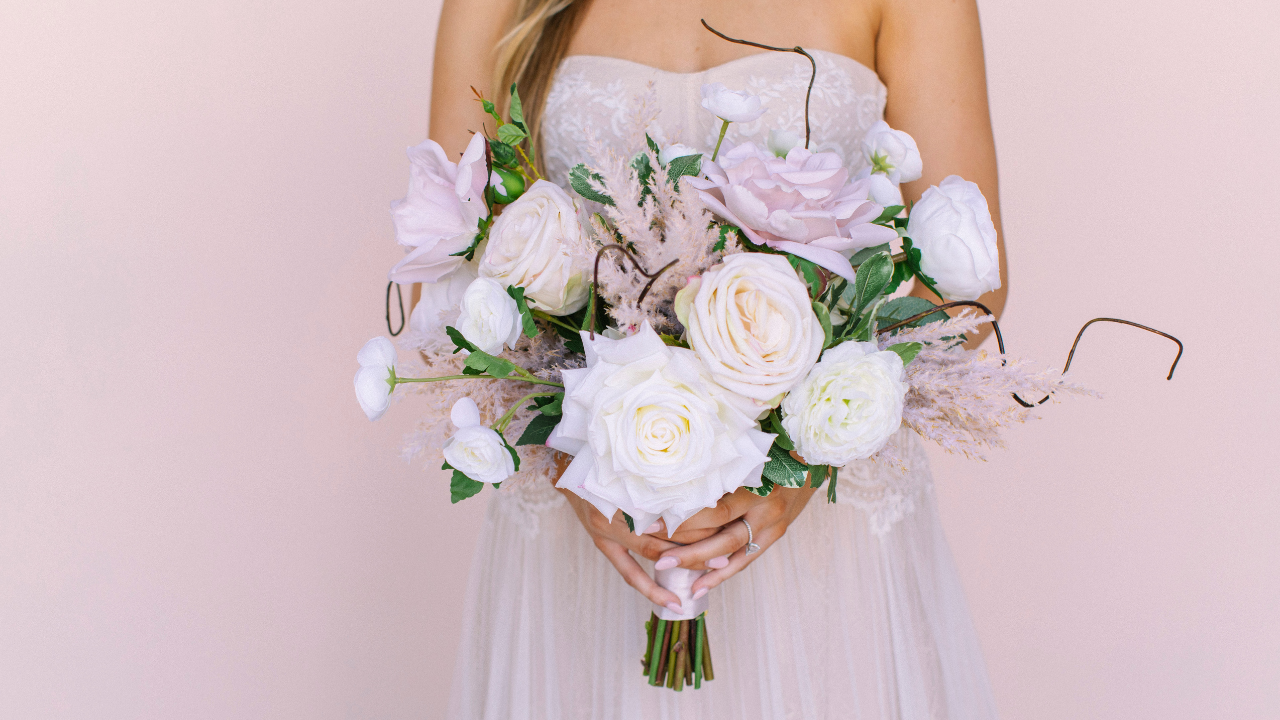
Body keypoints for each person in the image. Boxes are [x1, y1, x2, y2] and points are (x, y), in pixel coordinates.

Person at [426, 0, 1009, 716]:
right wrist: (573, 458)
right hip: (593, 534)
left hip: (822, 539)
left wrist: (804, 454)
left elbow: (968, 286)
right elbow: (458, 263)